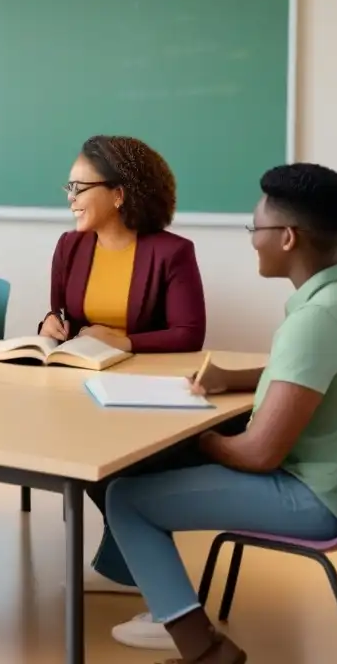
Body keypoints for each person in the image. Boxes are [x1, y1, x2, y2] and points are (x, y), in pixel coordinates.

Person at [104, 163, 337, 662]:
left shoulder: (317, 320)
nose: (251, 240)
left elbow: (260, 453)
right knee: (155, 468)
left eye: (255, 229)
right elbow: (308, 373)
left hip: (317, 499)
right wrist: (236, 380)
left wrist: (193, 438)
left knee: (127, 497)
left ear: (287, 238)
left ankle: (204, 651)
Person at [40, 135, 207, 596]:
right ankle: (129, 565)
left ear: (118, 193)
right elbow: (63, 314)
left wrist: (126, 339)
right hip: (82, 382)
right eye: (68, 188)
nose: (70, 200)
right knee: (68, 443)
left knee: (109, 460)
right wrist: (50, 324)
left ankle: (134, 564)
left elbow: (189, 333)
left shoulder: (171, 251)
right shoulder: (70, 246)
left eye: (80, 189)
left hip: (143, 391)